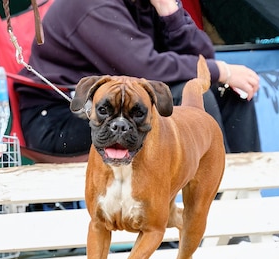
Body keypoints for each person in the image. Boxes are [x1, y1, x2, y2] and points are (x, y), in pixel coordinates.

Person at [16, 0, 262, 157]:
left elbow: (202, 58)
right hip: (61, 118)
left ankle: (244, 194)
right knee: (192, 96)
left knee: (228, 94)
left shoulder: (147, 3)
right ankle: (214, 198)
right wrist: (223, 70)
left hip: (118, 107)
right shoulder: (90, 5)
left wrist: (169, 11)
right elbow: (145, 68)